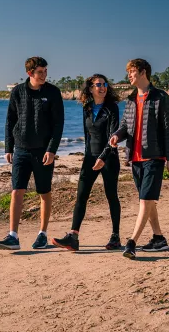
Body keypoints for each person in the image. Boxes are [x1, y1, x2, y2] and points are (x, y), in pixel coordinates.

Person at [109, 58, 169, 259]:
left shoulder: (160, 97)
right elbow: (125, 126)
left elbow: (168, 129)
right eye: (128, 72)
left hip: (154, 157)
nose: (129, 75)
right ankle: (159, 238)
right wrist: (117, 136)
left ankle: (131, 242)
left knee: (145, 199)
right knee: (147, 201)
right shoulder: (130, 100)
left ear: (143, 72)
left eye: (131, 72)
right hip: (135, 158)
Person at [0, 56, 64, 251]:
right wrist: (9, 147)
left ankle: (42, 234)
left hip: (43, 152)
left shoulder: (53, 92)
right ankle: (13, 236)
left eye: (45, 71)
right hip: (21, 150)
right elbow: (10, 120)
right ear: (30, 73)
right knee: (17, 191)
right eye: (40, 72)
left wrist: (52, 150)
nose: (44, 75)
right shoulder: (18, 92)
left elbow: (58, 124)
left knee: (44, 192)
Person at [52, 74, 122, 251]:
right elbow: (88, 136)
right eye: (98, 84)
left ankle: (115, 237)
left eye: (104, 84)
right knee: (81, 196)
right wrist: (88, 156)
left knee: (111, 195)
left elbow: (113, 135)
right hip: (90, 157)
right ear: (90, 88)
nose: (102, 87)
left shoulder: (112, 108)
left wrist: (103, 158)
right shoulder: (87, 108)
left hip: (109, 158)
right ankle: (73, 237)